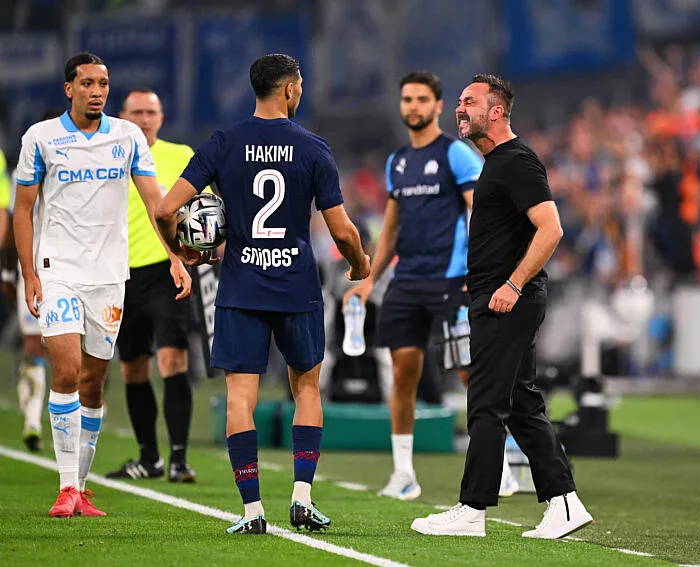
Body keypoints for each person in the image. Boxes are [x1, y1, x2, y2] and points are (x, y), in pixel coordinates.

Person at [155, 53, 370, 535]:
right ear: (290, 89)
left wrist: (185, 251)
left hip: (241, 285)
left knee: (239, 396)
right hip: (295, 285)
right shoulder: (313, 147)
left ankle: (252, 511)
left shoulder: (224, 143)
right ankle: (302, 499)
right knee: (307, 387)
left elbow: (167, 209)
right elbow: (342, 230)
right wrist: (359, 263)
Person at [411, 74, 593, 538]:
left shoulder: (516, 162)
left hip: (508, 300)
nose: (459, 108)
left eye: (469, 101)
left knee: (486, 404)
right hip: (500, 297)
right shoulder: (495, 162)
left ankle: (472, 510)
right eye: (459, 101)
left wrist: (511, 284)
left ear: (496, 111)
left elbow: (551, 228)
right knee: (520, 404)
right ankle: (565, 503)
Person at [14, 52, 191, 518]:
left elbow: (156, 203)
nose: (97, 91)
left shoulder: (128, 136)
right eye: (88, 83)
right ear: (68, 88)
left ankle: (82, 488)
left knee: (94, 383)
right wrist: (31, 273)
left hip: (110, 276)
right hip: (59, 272)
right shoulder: (41, 138)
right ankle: (66, 486)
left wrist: (174, 256)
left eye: (104, 83)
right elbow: (22, 209)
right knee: (67, 371)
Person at [342, 70, 518, 500]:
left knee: (469, 374)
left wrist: (483, 269)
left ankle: (501, 467)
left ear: (438, 106)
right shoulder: (397, 162)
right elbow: (392, 228)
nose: (413, 106)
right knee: (402, 376)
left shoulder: (456, 155)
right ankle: (404, 473)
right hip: (407, 281)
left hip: (452, 280)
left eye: (422, 99)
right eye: (407, 99)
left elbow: (485, 212)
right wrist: (368, 279)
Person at [105, 88, 198, 483]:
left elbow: (203, 212)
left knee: (173, 360)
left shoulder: (182, 156)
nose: (144, 119)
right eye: (137, 112)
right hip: (117, 273)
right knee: (133, 368)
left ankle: (178, 460)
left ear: (161, 117)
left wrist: (195, 254)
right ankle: (149, 458)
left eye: (151, 112)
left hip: (166, 270)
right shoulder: (106, 154)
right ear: (123, 116)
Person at [1, 108, 65, 453]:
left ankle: (45, 418)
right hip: (37, 267)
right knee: (37, 345)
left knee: (57, 348)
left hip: (72, 267)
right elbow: (14, 223)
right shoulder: (24, 170)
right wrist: (12, 270)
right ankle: (32, 420)